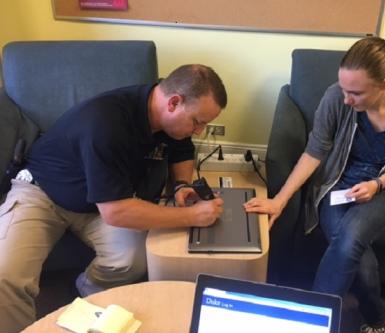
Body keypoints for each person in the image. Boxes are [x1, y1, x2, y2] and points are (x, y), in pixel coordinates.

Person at [0, 64, 227, 332]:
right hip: (43, 193)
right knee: (5, 276)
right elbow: (116, 213)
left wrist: (180, 185)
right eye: (198, 122)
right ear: (174, 102)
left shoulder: (170, 120)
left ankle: (87, 298)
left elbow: (182, 151)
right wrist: (192, 216)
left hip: (100, 203)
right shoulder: (106, 123)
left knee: (130, 261)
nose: (199, 131)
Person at [244, 37, 385, 333]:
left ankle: (312, 318)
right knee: (355, 250)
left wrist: (377, 185)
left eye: (355, 92)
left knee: (351, 236)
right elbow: (314, 151)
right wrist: (280, 199)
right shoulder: (335, 98)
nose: (346, 99)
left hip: (383, 188)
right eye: (343, 88)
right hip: (336, 185)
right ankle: (377, 318)